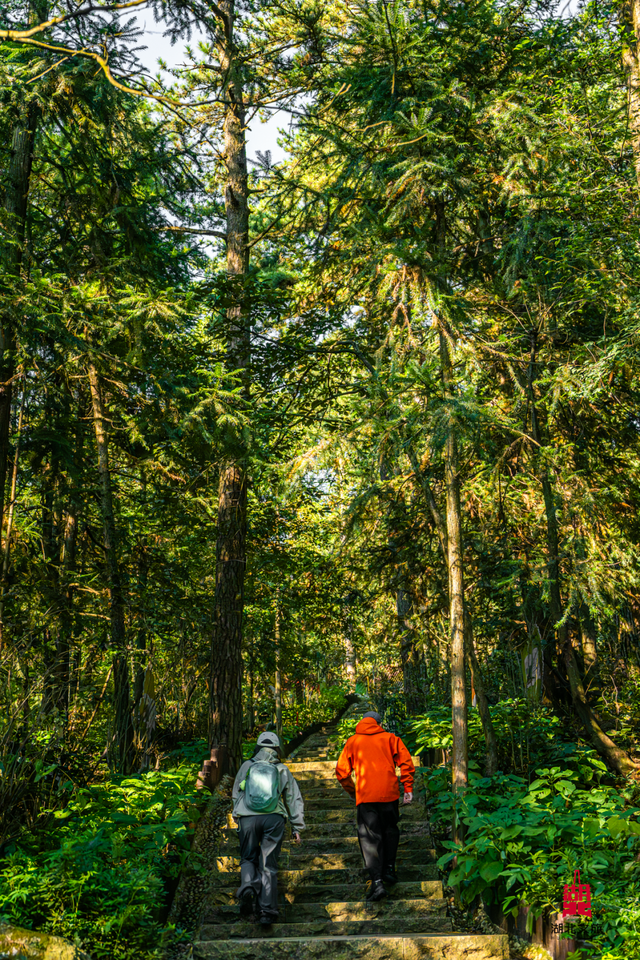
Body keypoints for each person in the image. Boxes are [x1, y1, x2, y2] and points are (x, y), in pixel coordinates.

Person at [335, 710, 415, 902]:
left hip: (366, 797)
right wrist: (408, 787)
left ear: (362, 722)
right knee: (390, 829)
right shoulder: (390, 739)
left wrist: (353, 791)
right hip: (389, 794)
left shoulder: (352, 741)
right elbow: (406, 762)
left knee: (370, 838)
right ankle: (389, 869)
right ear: (379, 724)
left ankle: (377, 882)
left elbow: (342, 773)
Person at [232, 731, 305, 926]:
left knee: (248, 858)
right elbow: (293, 798)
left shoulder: (247, 766)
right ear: (276, 749)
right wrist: (297, 826)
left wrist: (237, 813)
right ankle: (267, 912)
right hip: (274, 818)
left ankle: (248, 886)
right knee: (268, 864)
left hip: (247, 818)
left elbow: (236, 792)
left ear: (257, 747)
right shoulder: (281, 769)